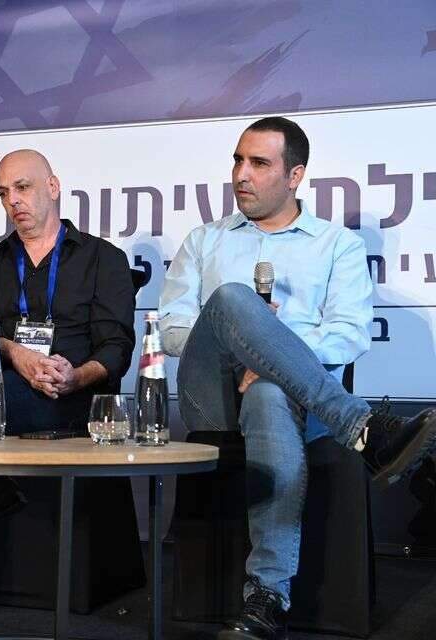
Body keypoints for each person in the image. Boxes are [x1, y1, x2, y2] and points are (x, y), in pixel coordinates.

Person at [159, 116, 436, 640]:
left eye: (259, 163)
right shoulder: (204, 241)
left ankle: (266, 598)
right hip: (212, 393)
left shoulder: (336, 245)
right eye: (238, 161)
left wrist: (270, 357)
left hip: (296, 404)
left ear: (295, 175)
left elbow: (349, 335)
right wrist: (240, 334)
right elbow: (172, 331)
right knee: (233, 298)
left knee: (268, 392)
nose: (242, 174)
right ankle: (364, 429)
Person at [0, 149, 136, 629]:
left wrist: (75, 375)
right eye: (3, 192)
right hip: (3, 395)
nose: (12, 200)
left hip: (66, 401)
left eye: (23, 187)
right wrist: (17, 354)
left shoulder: (103, 258)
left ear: (53, 187)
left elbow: (116, 348)